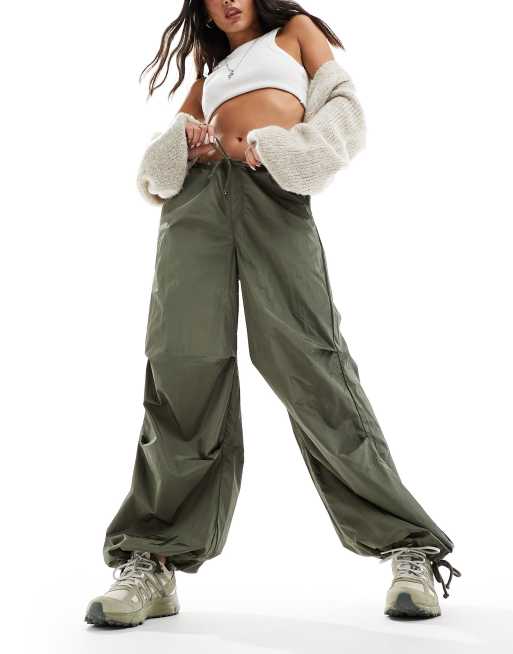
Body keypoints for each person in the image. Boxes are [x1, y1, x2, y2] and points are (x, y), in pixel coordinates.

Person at [84, 0, 461, 628]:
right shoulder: (212, 69)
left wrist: (284, 149)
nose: (229, 1)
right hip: (197, 204)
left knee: (309, 363)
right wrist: (184, 141)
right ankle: (152, 558)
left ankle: (408, 546)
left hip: (272, 195)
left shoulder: (295, 33)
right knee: (181, 367)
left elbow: (344, 111)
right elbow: (156, 164)